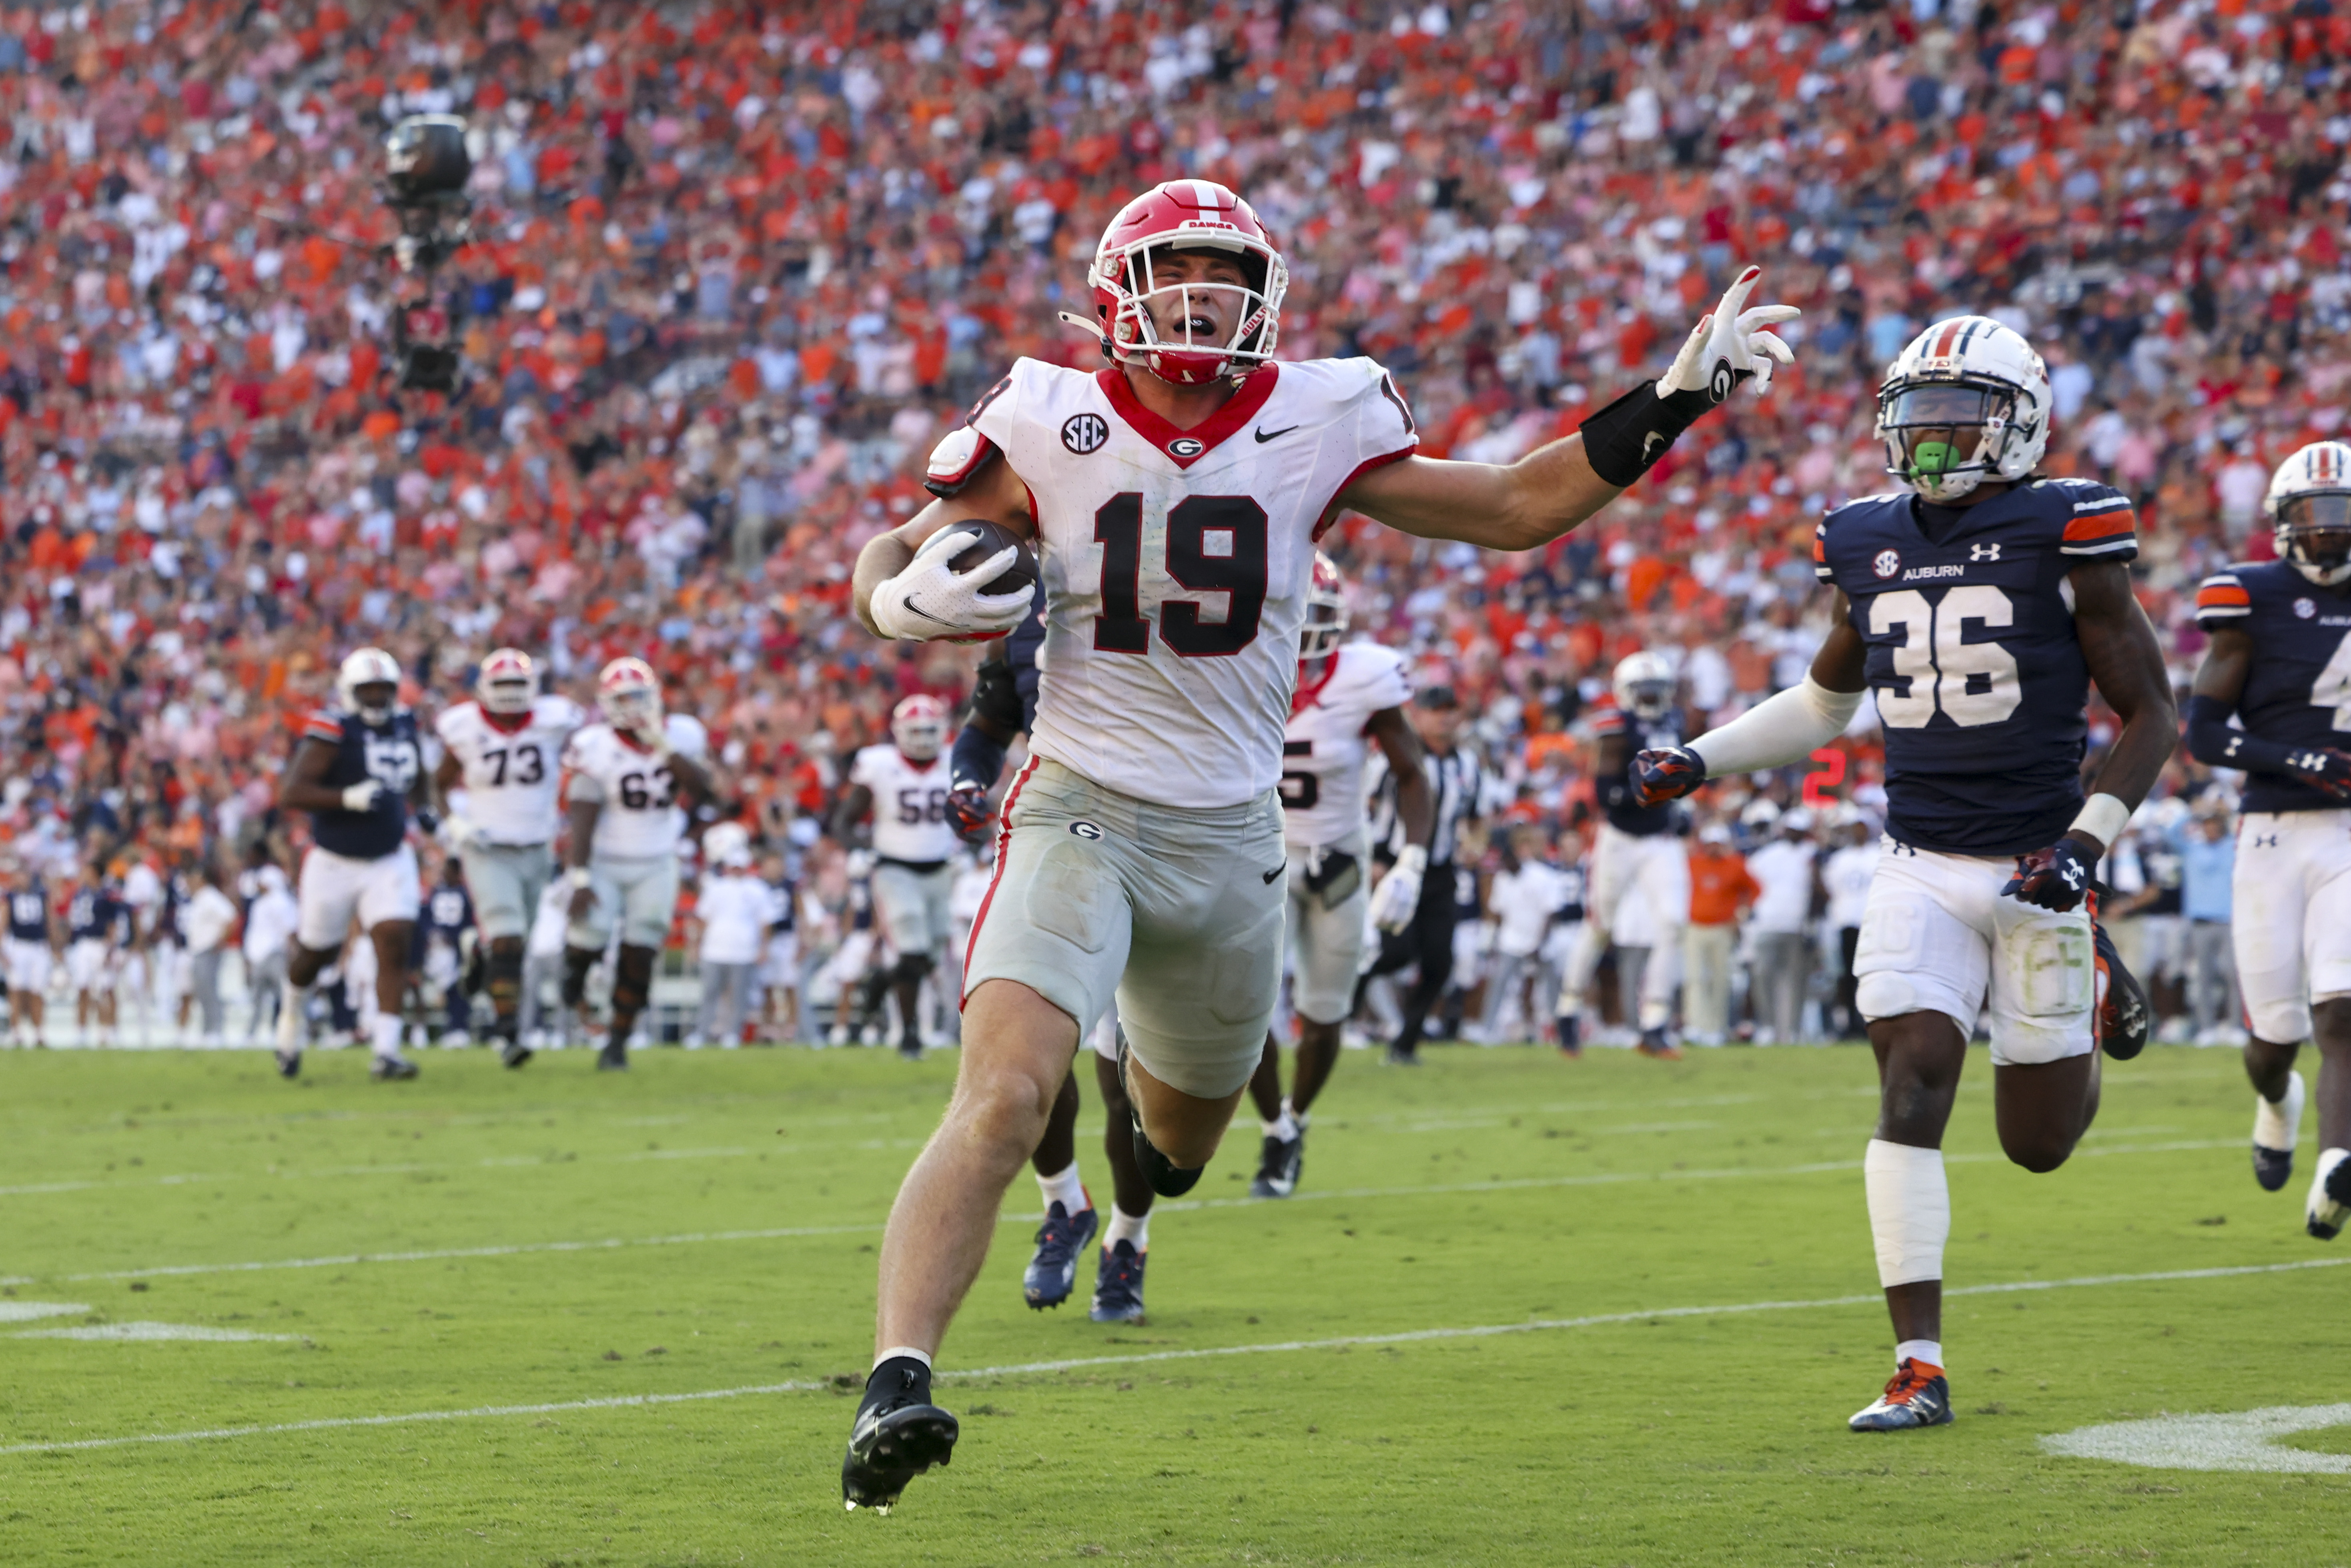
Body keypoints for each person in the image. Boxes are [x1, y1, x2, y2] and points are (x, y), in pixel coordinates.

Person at [840, 176, 1796, 1509]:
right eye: (1175, 273)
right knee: (1001, 1096)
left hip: (1231, 839)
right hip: (1075, 805)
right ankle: (897, 1378)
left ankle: (1132, 1108)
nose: (1202, 300)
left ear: (1265, 294)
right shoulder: (1039, 412)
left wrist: (1674, 396)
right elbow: (897, 542)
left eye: (1226, 276)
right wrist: (895, 598)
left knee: (1173, 1146)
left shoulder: (1318, 410)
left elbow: (1519, 504)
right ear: (1120, 291)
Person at [1632, 316, 2168, 1433]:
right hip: (1917, 861)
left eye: (1957, 417)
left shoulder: (2066, 526)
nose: (1931, 439)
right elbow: (1827, 701)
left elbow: (2150, 712)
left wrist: (2083, 848)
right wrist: (1700, 753)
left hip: (2039, 869)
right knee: (1911, 1079)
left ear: (2017, 423)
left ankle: (2095, 982)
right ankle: (1915, 1364)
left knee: (2038, 1144)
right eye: (1917, 417)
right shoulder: (1865, 537)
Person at [2183, 438, 2351, 1237]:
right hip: (2273, 833)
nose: (2328, 534)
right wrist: (2299, 758)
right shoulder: (2250, 597)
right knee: (2274, 1037)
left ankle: (2335, 1163)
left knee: (2343, 1012)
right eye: (2313, 519)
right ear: (2284, 524)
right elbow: (2205, 733)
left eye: (2341, 519)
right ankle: (2276, 1102)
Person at [1251, 551, 1431, 1194]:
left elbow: (1411, 771)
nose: (1302, 628)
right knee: (1246, 1011)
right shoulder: (1234, 665)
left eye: (1314, 613)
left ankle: (1295, 1118)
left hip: (1338, 859)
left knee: (1325, 1012)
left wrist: (1411, 859)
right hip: (1256, 857)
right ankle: (1274, 1129)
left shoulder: (1364, 676)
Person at [275, 647, 431, 1082]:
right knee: (316, 954)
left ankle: (387, 1050)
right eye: (369, 690)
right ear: (350, 692)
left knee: (395, 940)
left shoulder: (404, 723)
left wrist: (427, 807)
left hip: (389, 855)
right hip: (334, 859)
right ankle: (290, 1019)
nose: (378, 698)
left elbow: (420, 771)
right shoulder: (334, 729)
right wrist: (347, 798)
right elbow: (292, 793)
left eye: (385, 689)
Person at [432, 647, 587, 1066]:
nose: (510, 693)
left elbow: (583, 755)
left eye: (518, 684)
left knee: (515, 945)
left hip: (537, 846)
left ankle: (479, 952)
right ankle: (507, 1034)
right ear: (484, 688)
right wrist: (456, 824)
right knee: (510, 936)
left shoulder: (555, 721)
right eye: (502, 685)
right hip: (487, 845)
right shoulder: (464, 726)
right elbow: (438, 784)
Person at [557, 656, 714, 1071]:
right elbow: (582, 813)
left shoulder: (682, 733)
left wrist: (662, 745)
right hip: (606, 858)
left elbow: (705, 792)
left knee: (641, 954)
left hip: (657, 858)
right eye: (622, 699)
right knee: (587, 939)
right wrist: (580, 874)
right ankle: (572, 980)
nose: (631, 707)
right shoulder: (594, 744)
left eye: (638, 697)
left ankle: (617, 1042)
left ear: (655, 697)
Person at [1557, 652, 1693, 1059]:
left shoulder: (1674, 722)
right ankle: (1568, 1009)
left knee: (1672, 922)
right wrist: (1649, 794)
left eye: (1657, 690)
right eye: (1644, 691)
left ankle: (1654, 1022)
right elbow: (1605, 794)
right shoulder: (1616, 726)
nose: (1651, 698)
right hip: (1618, 836)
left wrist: (1677, 806)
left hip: (1659, 838)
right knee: (1601, 924)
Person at [1358, 685, 1483, 1065]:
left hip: (1442, 870)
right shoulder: (1394, 758)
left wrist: (1475, 843)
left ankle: (1405, 1044)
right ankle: (1341, 1004)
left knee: (1440, 962)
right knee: (1395, 951)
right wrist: (1375, 857)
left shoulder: (1468, 764)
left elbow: (1477, 814)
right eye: (1436, 710)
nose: (1444, 716)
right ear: (1419, 715)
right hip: (1396, 864)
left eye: (1451, 709)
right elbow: (1366, 807)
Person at [832, 695, 960, 1059]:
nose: (922, 738)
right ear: (899, 732)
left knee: (928, 957)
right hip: (894, 867)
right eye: (915, 731)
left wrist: (981, 841)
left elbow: (973, 814)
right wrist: (858, 847)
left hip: (940, 868)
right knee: (911, 948)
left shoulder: (954, 761)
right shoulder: (879, 764)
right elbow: (844, 820)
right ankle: (909, 1036)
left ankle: (877, 986)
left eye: (929, 731)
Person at [1471, 825, 1573, 1047]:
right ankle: (1487, 1029)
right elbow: (1497, 913)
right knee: (1499, 982)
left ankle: (1560, 1032)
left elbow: (1551, 913)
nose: (1506, 866)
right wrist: (1490, 939)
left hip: (1541, 941)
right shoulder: (1502, 879)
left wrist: (1540, 942)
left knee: (1552, 987)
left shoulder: (1542, 876)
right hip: (1512, 940)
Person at [690, 825, 772, 1049]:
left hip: (744, 950)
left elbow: (765, 922)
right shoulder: (715, 888)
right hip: (715, 949)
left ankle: (733, 1034)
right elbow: (703, 919)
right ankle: (702, 1033)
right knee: (710, 994)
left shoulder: (757, 889)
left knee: (739, 997)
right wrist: (697, 945)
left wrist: (763, 948)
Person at [1746, 808, 1820, 1045]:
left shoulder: (1811, 855)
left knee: (1795, 982)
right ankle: (1768, 1026)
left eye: (1799, 831)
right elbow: (1749, 885)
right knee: (1763, 977)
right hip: (1767, 924)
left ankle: (1791, 1030)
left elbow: (1816, 892)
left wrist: (1812, 925)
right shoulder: (1766, 855)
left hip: (1797, 926)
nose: (1794, 834)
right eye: (1792, 830)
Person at [1682, 823, 1758, 1047]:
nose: (1714, 849)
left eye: (1717, 844)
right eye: (1710, 844)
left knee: (1720, 979)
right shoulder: (1692, 864)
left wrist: (1741, 914)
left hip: (1723, 929)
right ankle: (1695, 1025)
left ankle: (1715, 1028)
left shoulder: (1735, 864)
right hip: (1695, 927)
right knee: (1695, 978)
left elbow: (1755, 890)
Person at [2173, 798, 2239, 1046]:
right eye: (2207, 826)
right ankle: (2206, 1028)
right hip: (2200, 921)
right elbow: (2170, 832)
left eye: (2215, 825)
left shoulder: (2232, 846)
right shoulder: (2192, 848)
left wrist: (2229, 811)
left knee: (2233, 976)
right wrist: (2193, 812)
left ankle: (2234, 1026)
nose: (2210, 830)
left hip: (2228, 920)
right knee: (2203, 977)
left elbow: (2246, 831)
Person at [1820, 811, 1882, 1040]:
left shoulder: (1878, 855)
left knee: (1871, 973)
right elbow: (1830, 888)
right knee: (1847, 974)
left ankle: (1870, 1019)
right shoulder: (1840, 859)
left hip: (1872, 921)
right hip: (1846, 921)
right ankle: (1849, 1020)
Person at [64, 860, 129, 1047]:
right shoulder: (80, 894)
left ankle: (110, 1030)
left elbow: (113, 924)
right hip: (83, 944)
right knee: (83, 988)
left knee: (106, 989)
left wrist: (110, 948)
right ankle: (82, 1031)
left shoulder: (107, 895)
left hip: (101, 944)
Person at [416, 855, 478, 1046]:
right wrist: (432, 935)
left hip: (455, 949)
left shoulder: (466, 894)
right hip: (436, 948)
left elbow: (469, 922)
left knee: (457, 988)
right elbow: (425, 918)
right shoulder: (436, 892)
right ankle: (422, 1032)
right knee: (428, 988)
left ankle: (458, 1029)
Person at [241, 863, 299, 1043]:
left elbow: (290, 931)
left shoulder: (282, 902)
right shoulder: (260, 903)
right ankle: (252, 1034)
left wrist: (292, 957)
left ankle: (283, 1032)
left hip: (275, 954)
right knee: (257, 998)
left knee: (283, 997)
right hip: (259, 956)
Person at [183, 863, 240, 1046]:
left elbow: (231, 918)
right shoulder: (199, 898)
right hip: (199, 950)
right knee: (203, 992)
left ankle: (216, 1030)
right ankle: (208, 1030)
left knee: (210, 990)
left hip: (208, 950)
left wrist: (220, 941)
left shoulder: (210, 897)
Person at [4, 861, 56, 1047]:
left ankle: (39, 1031)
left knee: (37, 990)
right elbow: (3, 923)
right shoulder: (10, 897)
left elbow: (50, 921)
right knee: (16, 990)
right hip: (19, 946)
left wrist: (55, 947)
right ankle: (16, 1031)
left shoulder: (41, 895)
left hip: (38, 947)